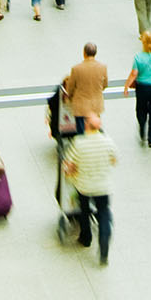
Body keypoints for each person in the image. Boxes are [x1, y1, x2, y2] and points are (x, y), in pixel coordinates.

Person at [64, 113, 117, 264]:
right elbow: (114, 160)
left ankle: (86, 238)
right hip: (103, 186)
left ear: (87, 126)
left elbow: (69, 165)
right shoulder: (108, 141)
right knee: (104, 213)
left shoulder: (79, 142)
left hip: (84, 186)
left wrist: (69, 171)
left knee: (85, 210)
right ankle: (104, 245)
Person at [124, 31, 151, 148]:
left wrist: (126, 86)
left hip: (142, 87)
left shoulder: (138, 57)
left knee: (141, 110)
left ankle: (142, 128)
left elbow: (134, 73)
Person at [62, 42, 108, 126]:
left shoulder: (76, 69)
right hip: (96, 104)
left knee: (81, 128)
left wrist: (70, 97)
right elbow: (105, 84)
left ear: (84, 53)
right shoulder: (103, 67)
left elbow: (70, 88)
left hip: (80, 105)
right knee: (94, 127)